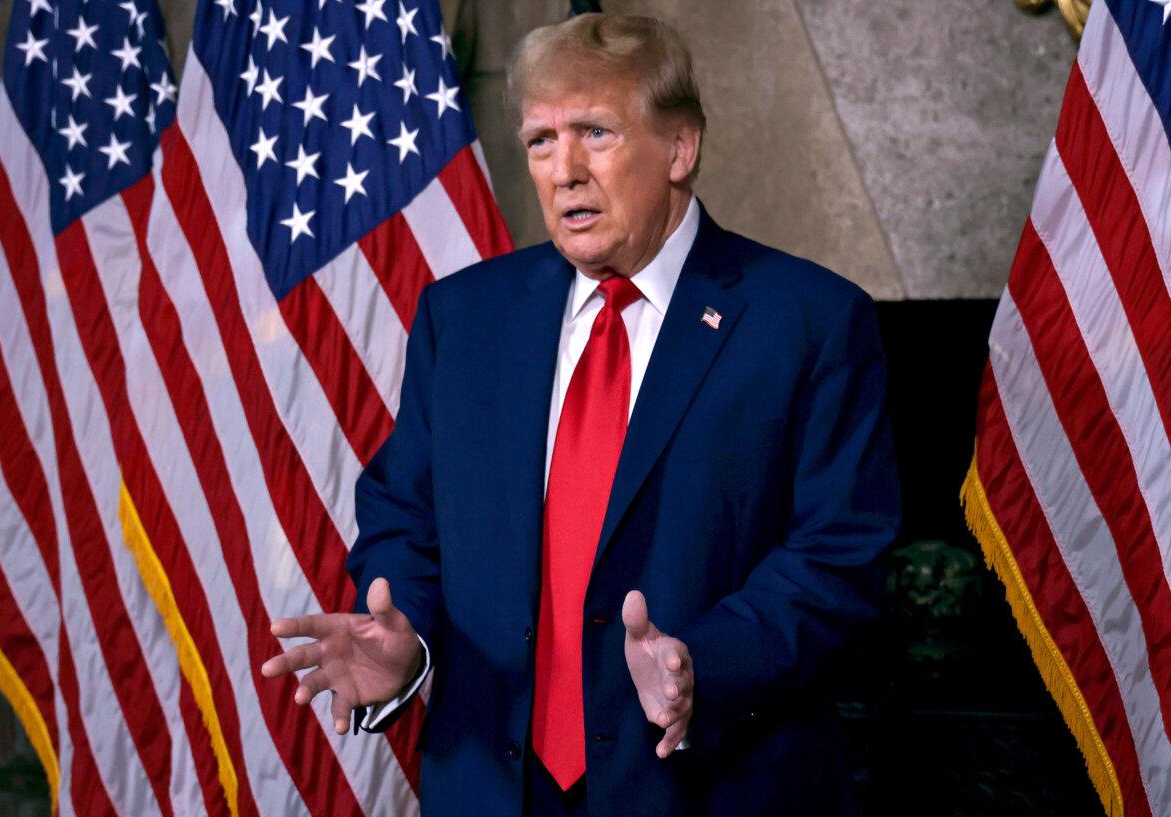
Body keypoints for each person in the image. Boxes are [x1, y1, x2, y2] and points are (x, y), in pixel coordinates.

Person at [262, 13, 900, 817]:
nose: (563, 171)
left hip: (711, 787)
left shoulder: (806, 320)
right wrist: (410, 643)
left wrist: (705, 663)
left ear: (680, 148)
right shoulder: (464, 318)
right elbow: (404, 515)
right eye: (539, 141)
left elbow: (839, 554)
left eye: (594, 133)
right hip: (492, 789)